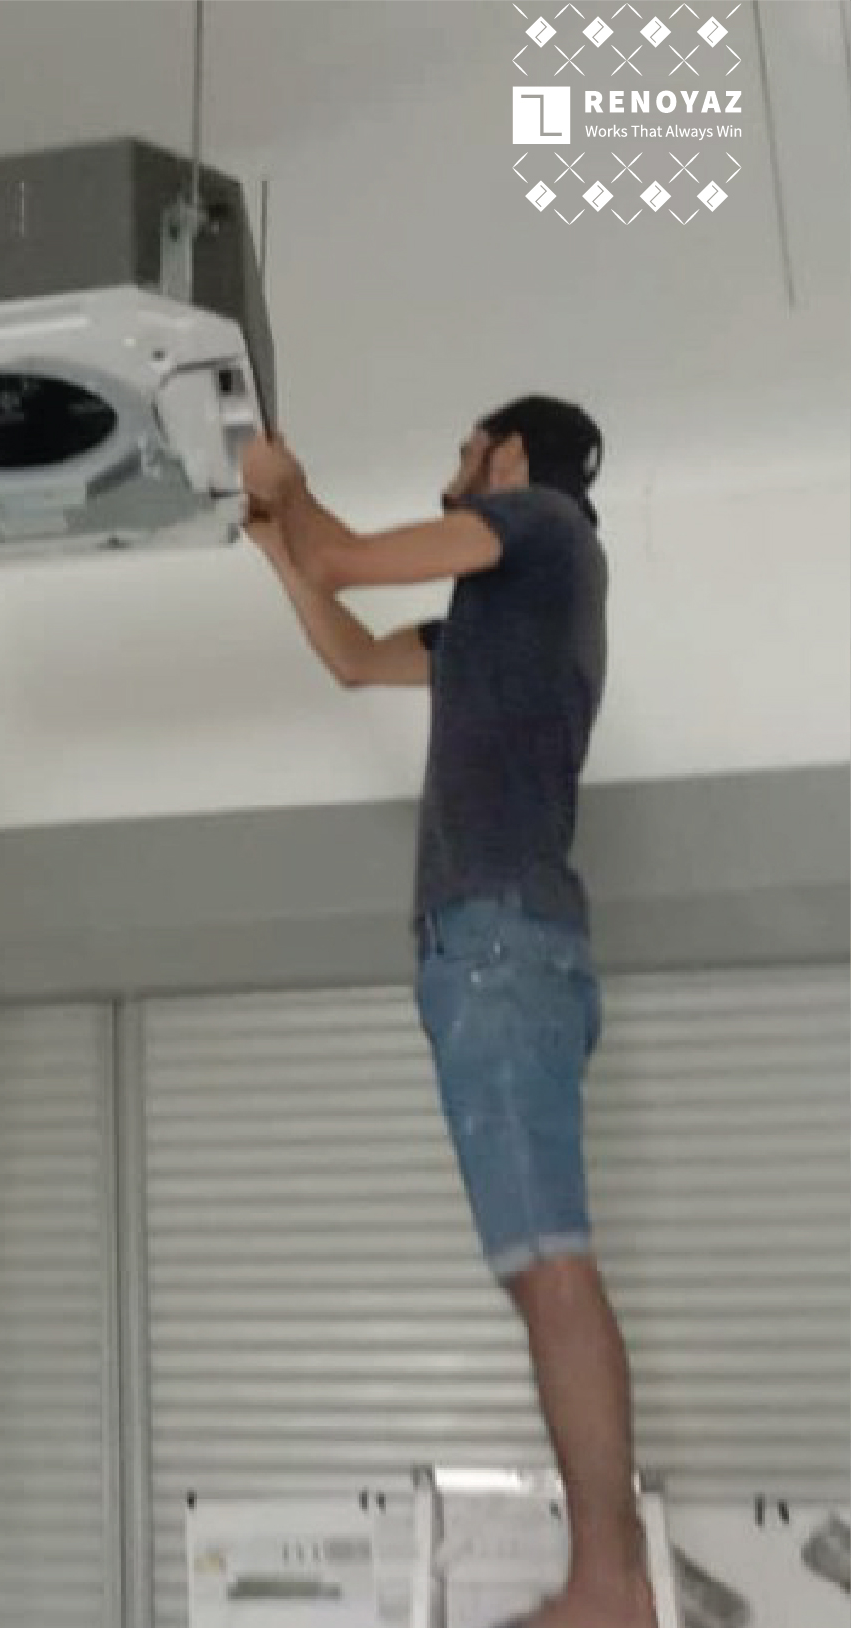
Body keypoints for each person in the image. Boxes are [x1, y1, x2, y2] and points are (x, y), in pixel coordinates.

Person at [242, 399, 656, 1628]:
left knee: (548, 1262)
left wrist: (291, 492)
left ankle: (608, 1585)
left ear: (508, 453)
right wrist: (274, 543)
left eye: (466, 449)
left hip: (496, 945)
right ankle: (608, 1576)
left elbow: (342, 556)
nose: (453, 469)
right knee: (536, 1264)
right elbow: (353, 652)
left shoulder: (536, 527)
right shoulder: (505, 610)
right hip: (497, 948)